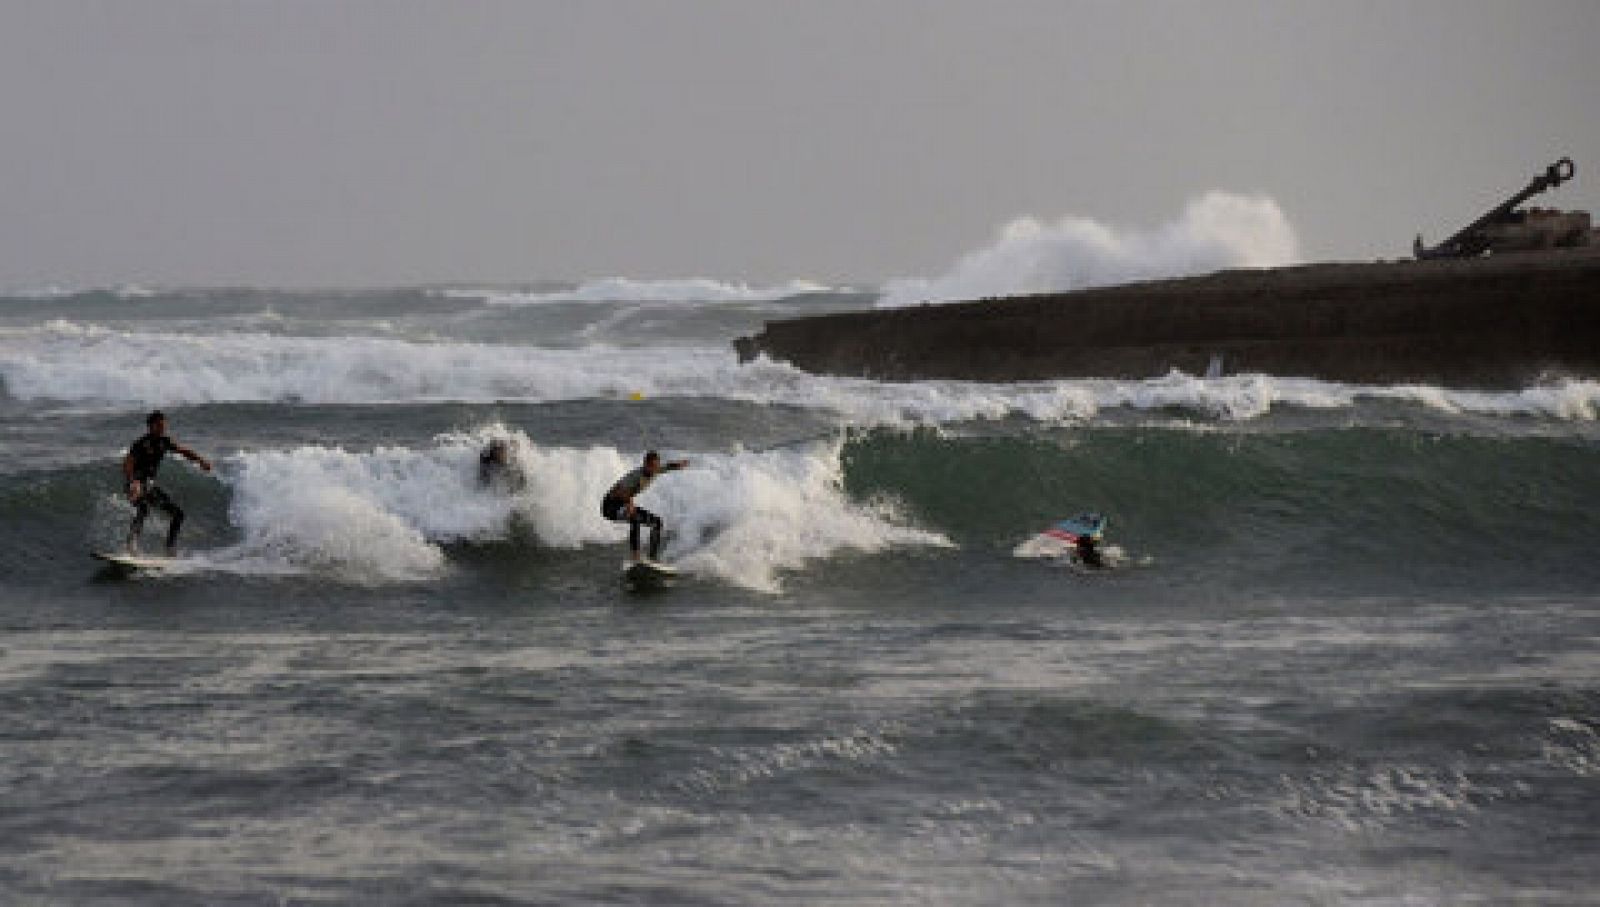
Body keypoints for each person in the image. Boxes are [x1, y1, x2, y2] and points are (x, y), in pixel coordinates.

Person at [123, 410, 212, 555]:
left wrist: (201, 461)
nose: (162, 428)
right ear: (150, 426)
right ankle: (131, 543)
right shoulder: (141, 443)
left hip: (149, 486)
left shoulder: (165, 441)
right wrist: (133, 482)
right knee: (143, 508)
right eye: (159, 425)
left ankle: (169, 548)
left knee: (178, 515)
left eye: (163, 425)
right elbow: (128, 464)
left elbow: (184, 451)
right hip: (135, 484)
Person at [601, 450, 689, 563]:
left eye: (656, 466)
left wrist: (679, 465)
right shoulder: (636, 475)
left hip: (622, 504)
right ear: (645, 464)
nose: (654, 469)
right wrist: (629, 503)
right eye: (652, 466)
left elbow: (667, 467)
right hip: (610, 506)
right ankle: (635, 556)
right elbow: (619, 491)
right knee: (635, 518)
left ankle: (652, 558)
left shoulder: (655, 471)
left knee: (657, 523)